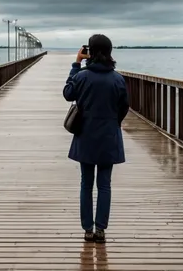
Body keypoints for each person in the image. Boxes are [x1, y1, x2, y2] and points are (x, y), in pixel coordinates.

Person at [63, 34, 129, 244]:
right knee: (104, 185)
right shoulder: (118, 79)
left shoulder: (82, 76)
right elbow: (124, 107)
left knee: (86, 184)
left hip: (86, 135)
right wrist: (113, 122)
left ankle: (87, 230)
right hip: (109, 135)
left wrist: (76, 63)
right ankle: (101, 229)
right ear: (110, 53)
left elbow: (67, 93)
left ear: (90, 52)